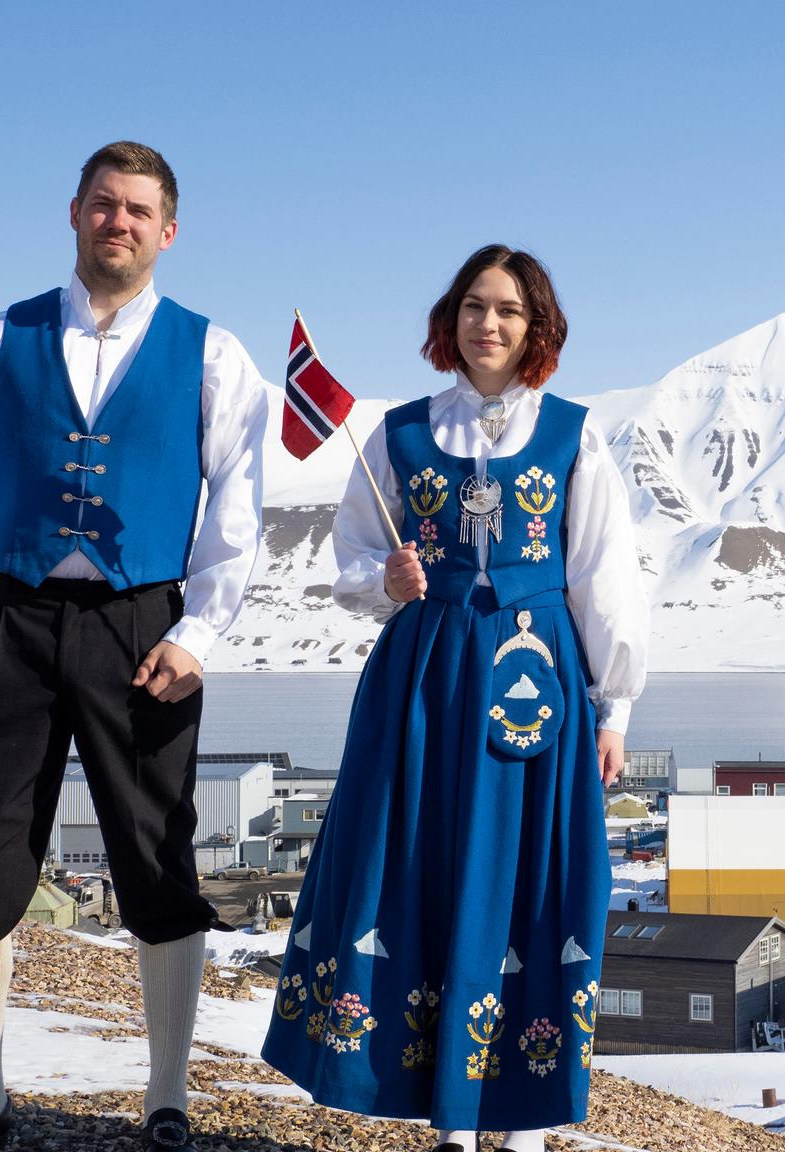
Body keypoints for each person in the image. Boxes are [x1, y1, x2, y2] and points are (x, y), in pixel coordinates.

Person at [0, 141, 268, 1152]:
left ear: (168, 230)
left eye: (139, 210)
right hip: (11, 617)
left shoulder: (214, 354)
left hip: (144, 629)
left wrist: (197, 636)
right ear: (73, 213)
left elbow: (238, 509)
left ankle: (166, 1099)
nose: (119, 223)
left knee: (157, 856)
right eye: (104, 205)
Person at [262, 245, 648, 1152]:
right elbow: (353, 562)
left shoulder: (573, 434)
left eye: (509, 310)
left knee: (525, 879)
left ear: (536, 326)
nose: (490, 323)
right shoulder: (396, 432)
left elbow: (603, 577)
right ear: (451, 318)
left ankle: (520, 1121)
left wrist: (615, 708)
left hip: (534, 684)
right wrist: (389, 582)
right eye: (475, 305)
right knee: (421, 868)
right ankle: (445, 1116)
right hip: (423, 682)